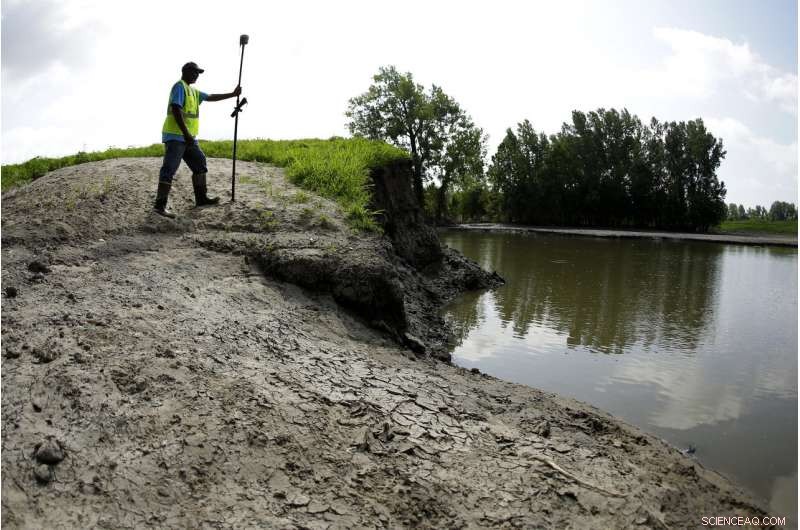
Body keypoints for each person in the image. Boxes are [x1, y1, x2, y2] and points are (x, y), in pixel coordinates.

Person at [154, 61, 242, 218]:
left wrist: (233, 94)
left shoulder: (193, 91)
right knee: (169, 169)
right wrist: (186, 134)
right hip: (176, 137)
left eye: (198, 73)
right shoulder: (179, 86)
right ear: (185, 71)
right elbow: (176, 109)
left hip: (189, 138)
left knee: (200, 163)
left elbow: (210, 97)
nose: (196, 75)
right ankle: (160, 206)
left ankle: (201, 199)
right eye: (194, 72)